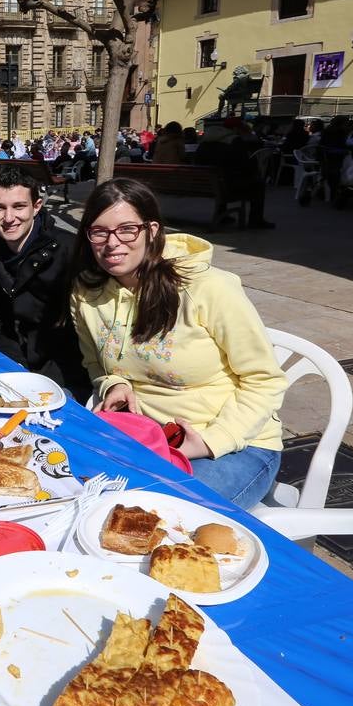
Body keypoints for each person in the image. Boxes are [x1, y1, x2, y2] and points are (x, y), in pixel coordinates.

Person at [69, 178, 287, 508]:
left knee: (162, 515)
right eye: (100, 232)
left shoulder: (208, 288)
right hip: (146, 438)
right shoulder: (86, 295)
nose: (112, 243)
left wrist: (211, 441)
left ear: (152, 230)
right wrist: (114, 383)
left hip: (237, 444)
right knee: (66, 488)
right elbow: (94, 364)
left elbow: (265, 381)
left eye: (127, 229)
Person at [0, 166, 91, 401]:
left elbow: (81, 332)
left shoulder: (68, 251)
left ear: (36, 207)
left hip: (61, 372)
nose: (8, 218)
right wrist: (11, 363)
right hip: (11, 361)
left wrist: (39, 379)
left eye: (18, 206)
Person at [193, 118, 274, 228]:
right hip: (226, 186)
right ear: (236, 129)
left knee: (222, 178)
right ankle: (255, 220)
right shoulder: (235, 141)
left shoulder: (205, 141)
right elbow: (246, 165)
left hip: (204, 184)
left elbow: (197, 161)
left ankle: (222, 214)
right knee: (258, 185)